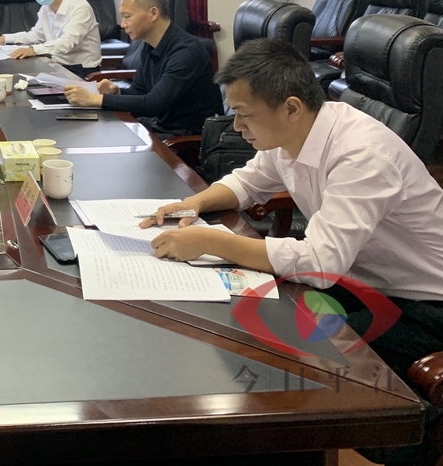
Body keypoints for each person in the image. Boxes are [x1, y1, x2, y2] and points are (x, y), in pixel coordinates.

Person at [143, 39, 443, 387]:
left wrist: (211, 241)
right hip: (364, 278)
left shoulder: (361, 155)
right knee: (248, 316)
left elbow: (321, 263)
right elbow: (249, 182)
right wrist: (196, 203)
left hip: (425, 303)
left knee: (299, 355)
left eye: (245, 114)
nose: (237, 126)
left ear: (291, 107)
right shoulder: (296, 131)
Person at [64, 0, 222, 137]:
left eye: (127, 16)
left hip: (185, 139)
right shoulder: (150, 44)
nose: (123, 24)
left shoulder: (187, 51)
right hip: (161, 127)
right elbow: (140, 90)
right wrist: (117, 92)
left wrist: (94, 99)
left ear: (153, 13)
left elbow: (153, 104)